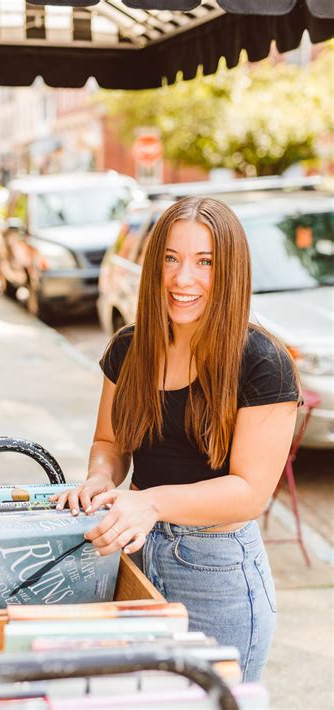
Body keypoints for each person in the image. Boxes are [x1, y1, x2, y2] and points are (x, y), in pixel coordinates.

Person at [52, 196, 300, 682]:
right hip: (135, 555)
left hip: (217, 574)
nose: (182, 279)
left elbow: (250, 493)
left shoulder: (262, 362)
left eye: (204, 262)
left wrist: (151, 503)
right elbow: (110, 441)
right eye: (171, 258)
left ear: (230, 271)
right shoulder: (129, 347)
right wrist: (100, 478)